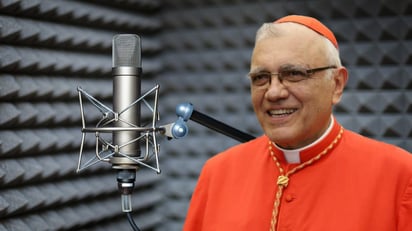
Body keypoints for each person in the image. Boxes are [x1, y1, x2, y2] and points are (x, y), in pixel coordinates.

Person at [183, 15, 412, 231]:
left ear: (337, 84)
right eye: (260, 78)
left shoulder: (400, 176)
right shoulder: (216, 174)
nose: (273, 92)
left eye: (294, 74)